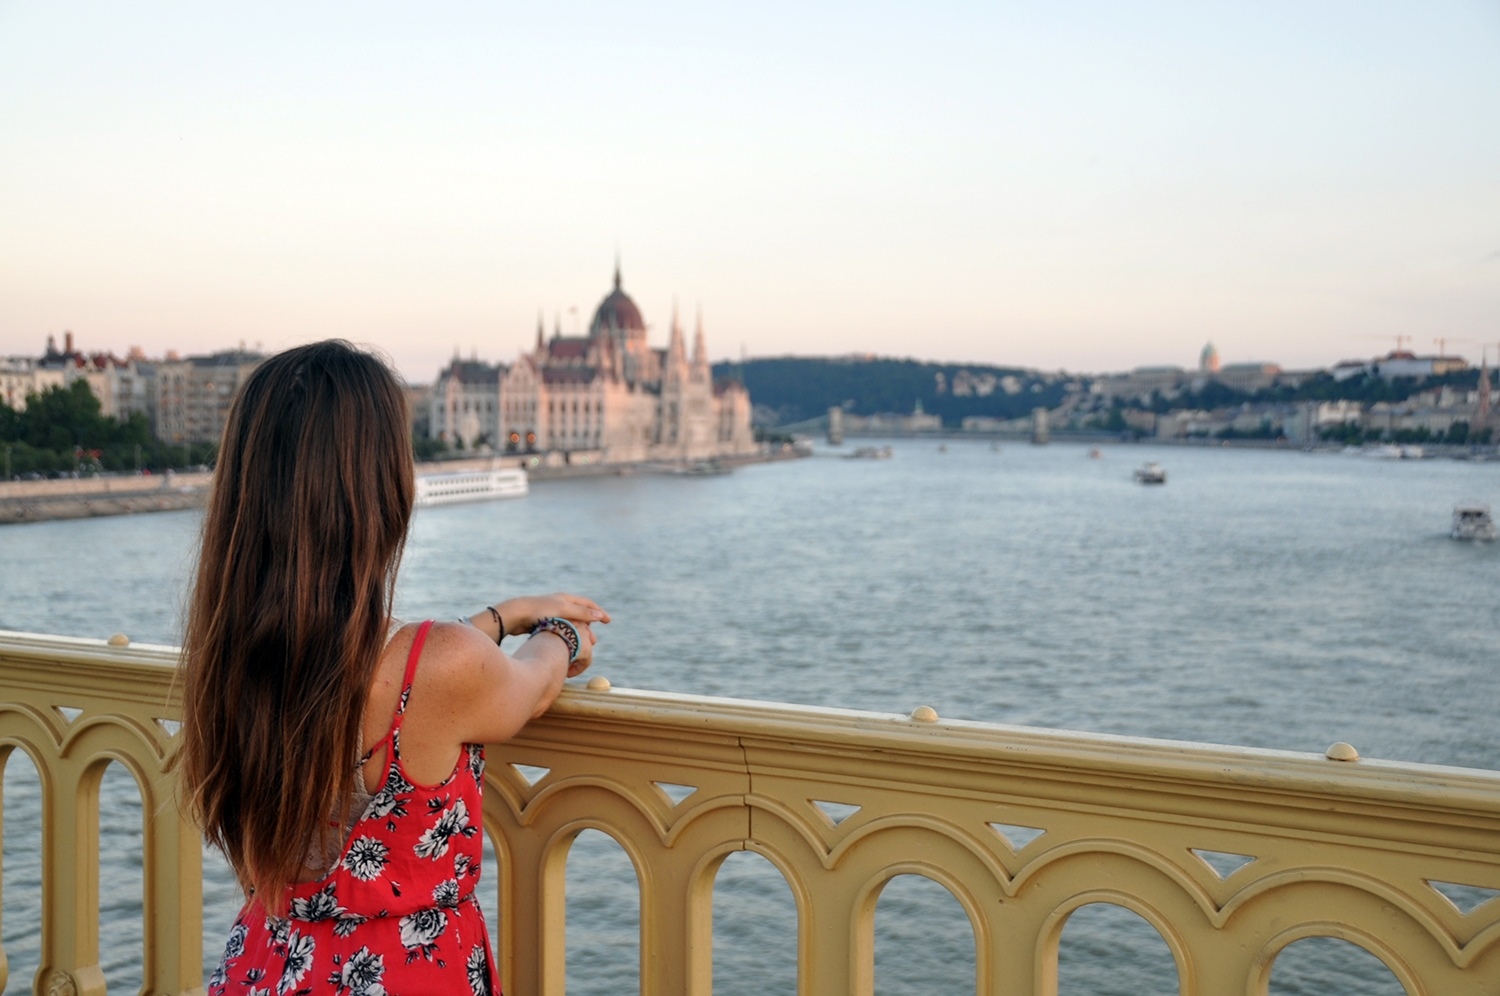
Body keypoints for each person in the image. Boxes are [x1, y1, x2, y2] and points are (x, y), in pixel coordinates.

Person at [175, 340, 607, 996]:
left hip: (263, 967)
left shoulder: (226, 658)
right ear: (378, 489)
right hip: (405, 975)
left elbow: (377, 662)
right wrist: (560, 633)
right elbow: (532, 685)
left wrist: (497, 614)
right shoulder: (443, 666)